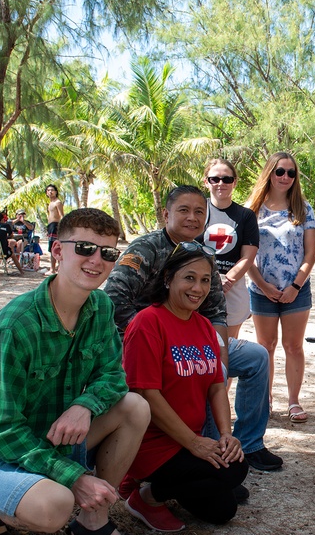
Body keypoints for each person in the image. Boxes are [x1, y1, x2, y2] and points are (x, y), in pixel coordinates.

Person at [0, 208, 150, 535]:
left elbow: (114, 376)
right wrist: (75, 477)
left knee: (134, 407)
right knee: (55, 506)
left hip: (44, 436)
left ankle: (92, 524)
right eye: (84, 248)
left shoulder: (98, 307)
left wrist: (85, 405)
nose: (96, 260)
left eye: (108, 252)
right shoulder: (15, 327)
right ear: (57, 251)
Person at [105, 186, 282, 472]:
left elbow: (215, 311)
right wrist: (154, 341)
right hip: (145, 342)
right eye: (184, 210)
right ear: (166, 214)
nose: (192, 218)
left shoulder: (204, 254)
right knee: (194, 372)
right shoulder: (146, 248)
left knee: (255, 357)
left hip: (195, 339)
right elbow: (114, 300)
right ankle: (208, 456)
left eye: (200, 211)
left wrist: (220, 357)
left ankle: (247, 444)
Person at [122, 241, 249, 532]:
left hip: (187, 442)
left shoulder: (204, 325)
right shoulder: (147, 323)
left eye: (206, 280)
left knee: (223, 511)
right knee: (235, 471)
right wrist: (194, 443)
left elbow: (217, 386)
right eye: (189, 278)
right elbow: (146, 394)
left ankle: (170, 485)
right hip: (151, 444)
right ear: (168, 279)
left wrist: (226, 435)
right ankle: (144, 497)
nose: (198, 288)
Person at [246, 153, 315, 424]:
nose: (285, 177)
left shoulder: (304, 209)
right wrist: (263, 286)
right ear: (269, 173)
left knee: (293, 346)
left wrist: (295, 286)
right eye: (279, 172)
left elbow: (310, 255)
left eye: (291, 173)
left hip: (296, 290)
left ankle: (293, 401)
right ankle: (265, 399)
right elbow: (247, 255)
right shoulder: (251, 210)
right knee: (265, 346)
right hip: (260, 289)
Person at [200, 158, 259, 340]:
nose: (221, 183)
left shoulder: (245, 216)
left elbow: (248, 256)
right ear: (206, 181)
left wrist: (227, 280)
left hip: (231, 287)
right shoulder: (197, 211)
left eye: (226, 179)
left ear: (234, 182)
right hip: (198, 284)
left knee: (227, 344)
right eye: (214, 179)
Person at [46, 184, 65, 274]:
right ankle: (53, 268)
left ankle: (54, 269)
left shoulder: (58, 202)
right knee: (51, 248)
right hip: (50, 226)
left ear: (56, 192)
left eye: (52, 190)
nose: (50, 192)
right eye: (48, 190)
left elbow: (62, 216)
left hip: (56, 226)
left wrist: (61, 228)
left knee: (55, 248)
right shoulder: (50, 203)